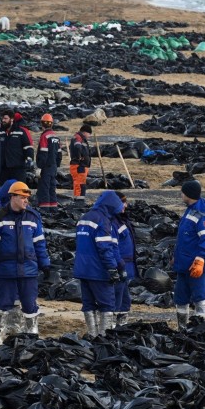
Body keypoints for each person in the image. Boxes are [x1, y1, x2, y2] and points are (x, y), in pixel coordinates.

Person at [0, 181, 50, 344]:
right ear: (13, 197)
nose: (26, 201)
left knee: (29, 303)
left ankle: (33, 334)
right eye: (23, 197)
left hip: (28, 270)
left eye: (27, 198)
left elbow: (40, 243)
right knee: (3, 302)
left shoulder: (33, 217)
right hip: (6, 269)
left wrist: (45, 263)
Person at [72, 190, 124, 336]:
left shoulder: (85, 218)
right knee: (107, 304)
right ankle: (104, 337)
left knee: (88, 304)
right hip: (98, 271)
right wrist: (112, 268)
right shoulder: (103, 220)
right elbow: (104, 248)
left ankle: (92, 335)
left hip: (82, 269)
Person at [173, 180, 205, 327]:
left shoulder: (202, 215)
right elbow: (185, 239)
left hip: (196, 266)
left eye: (182, 192)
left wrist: (200, 261)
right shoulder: (190, 210)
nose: (181, 194)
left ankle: (201, 329)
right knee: (180, 298)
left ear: (188, 194)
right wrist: (176, 257)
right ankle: (182, 329)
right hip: (184, 264)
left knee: (199, 298)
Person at [113, 191, 138, 327]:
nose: (126, 205)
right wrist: (119, 264)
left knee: (124, 296)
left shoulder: (122, 220)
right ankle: (111, 325)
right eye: (123, 202)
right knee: (116, 295)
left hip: (126, 266)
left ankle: (122, 322)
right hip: (119, 266)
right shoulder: (112, 222)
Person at [35, 113, 62, 210]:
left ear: (42, 124)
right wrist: (56, 165)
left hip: (46, 167)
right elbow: (59, 154)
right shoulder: (55, 137)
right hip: (53, 167)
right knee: (52, 188)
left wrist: (39, 167)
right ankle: (54, 209)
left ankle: (45, 210)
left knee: (44, 188)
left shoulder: (44, 136)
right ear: (51, 124)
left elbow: (43, 153)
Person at [0, 110, 34, 184]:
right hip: (3, 168)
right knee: (4, 190)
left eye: (5, 118)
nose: (3, 120)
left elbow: (28, 147)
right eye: (2, 119)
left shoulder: (21, 131)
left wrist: (29, 158)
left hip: (18, 167)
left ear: (11, 119)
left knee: (19, 189)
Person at [69, 124, 93, 202]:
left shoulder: (80, 138)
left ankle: (78, 200)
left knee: (80, 184)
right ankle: (79, 202)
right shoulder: (78, 138)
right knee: (80, 184)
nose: (89, 136)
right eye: (89, 134)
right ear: (85, 132)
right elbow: (77, 147)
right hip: (80, 166)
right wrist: (80, 157)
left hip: (81, 165)